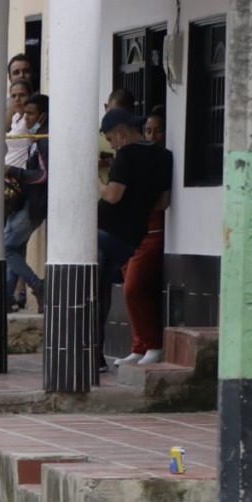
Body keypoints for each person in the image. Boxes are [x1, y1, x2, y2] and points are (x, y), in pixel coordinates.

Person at [97, 107, 172, 372]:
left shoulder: (126, 155)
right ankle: (139, 346)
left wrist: (94, 179)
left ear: (120, 134)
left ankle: (146, 345)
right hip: (138, 231)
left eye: (110, 139)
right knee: (120, 291)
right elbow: (163, 202)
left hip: (113, 232)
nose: (111, 145)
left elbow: (113, 195)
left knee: (112, 292)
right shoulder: (165, 157)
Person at [4, 94, 49, 312]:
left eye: (31, 114)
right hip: (26, 202)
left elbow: (43, 175)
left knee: (6, 247)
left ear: (43, 115)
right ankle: (5, 296)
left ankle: (38, 284)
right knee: (16, 249)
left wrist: (13, 171)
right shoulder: (34, 141)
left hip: (35, 204)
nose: (27, 119)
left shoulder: (44, 142)